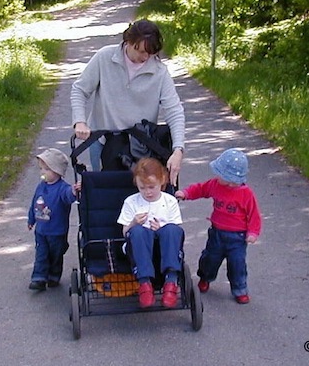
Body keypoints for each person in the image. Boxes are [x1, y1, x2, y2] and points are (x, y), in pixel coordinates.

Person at [70, 18, 185, 184]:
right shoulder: (105, 58)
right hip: (103, 140)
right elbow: (79, 90)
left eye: (150, 53)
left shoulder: (159, 72)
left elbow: (174, 111)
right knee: (105, 196)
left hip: (139, 146)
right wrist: (79, 121)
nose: (146, 57)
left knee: (142, 197)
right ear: (128, 42)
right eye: (141, 51)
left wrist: (178, 149)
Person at [175, 148, 261, 304]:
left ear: (230, 179)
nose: (216, 176)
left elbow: (254, 214)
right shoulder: (215, 184)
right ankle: (205, 278)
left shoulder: (245, 193)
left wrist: (253, 232)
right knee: (210, 258)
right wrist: (186, 193)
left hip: (237, 238)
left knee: (237, 264)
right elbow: (201, 189)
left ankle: (239, 289)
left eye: (220, 174)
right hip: (217, 233)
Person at [117, 158, 184, 308]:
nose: (147, 192)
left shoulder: (170, 201)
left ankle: (171, 282)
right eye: (142, 188)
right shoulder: (131, 202)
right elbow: (124, 232)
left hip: (163, 246)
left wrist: (161, 228)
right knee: (138, 231)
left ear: (162, 181)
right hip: (138, 245)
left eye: (152, 187)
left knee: (172, 230)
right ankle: (145, 285)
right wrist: (134, 222)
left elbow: (177, 231)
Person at [27, 148, 78, 291]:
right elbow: (34, 203)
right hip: (41, 230)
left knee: (56, 255)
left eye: (47, 169)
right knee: (41, 254)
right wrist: (31, 219)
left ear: (57, 171)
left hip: (57, 231)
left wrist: (74, 191)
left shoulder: (63, 188)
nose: (42, 172)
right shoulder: (41, 187)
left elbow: (68, 197)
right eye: (41, 169)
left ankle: (54, 276)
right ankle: (39, 278)